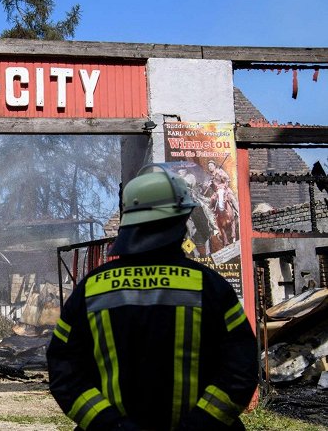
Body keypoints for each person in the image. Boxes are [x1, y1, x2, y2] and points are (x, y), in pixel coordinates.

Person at [47, 163, 258, 430]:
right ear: (179, 222)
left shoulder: (91, 289)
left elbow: (64, 369)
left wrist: (108, 424)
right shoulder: (210, 287)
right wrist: (202, 423)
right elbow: (242, 367)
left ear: (130, 223)